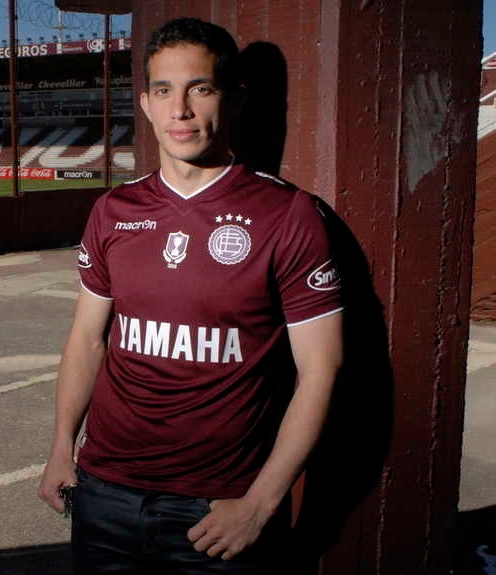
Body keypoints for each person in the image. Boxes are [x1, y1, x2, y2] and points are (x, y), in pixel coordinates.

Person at [38, 16, 344, 575]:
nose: (179, 110)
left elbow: (322, 370)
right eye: (163, 91)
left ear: (233, 99)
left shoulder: (288, 215)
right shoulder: (113, 211)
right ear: (146, 104)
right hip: (104, 493)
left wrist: (261, 503)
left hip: (216, 510)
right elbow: (87, 338)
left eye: (199, 89)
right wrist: (62, 446)